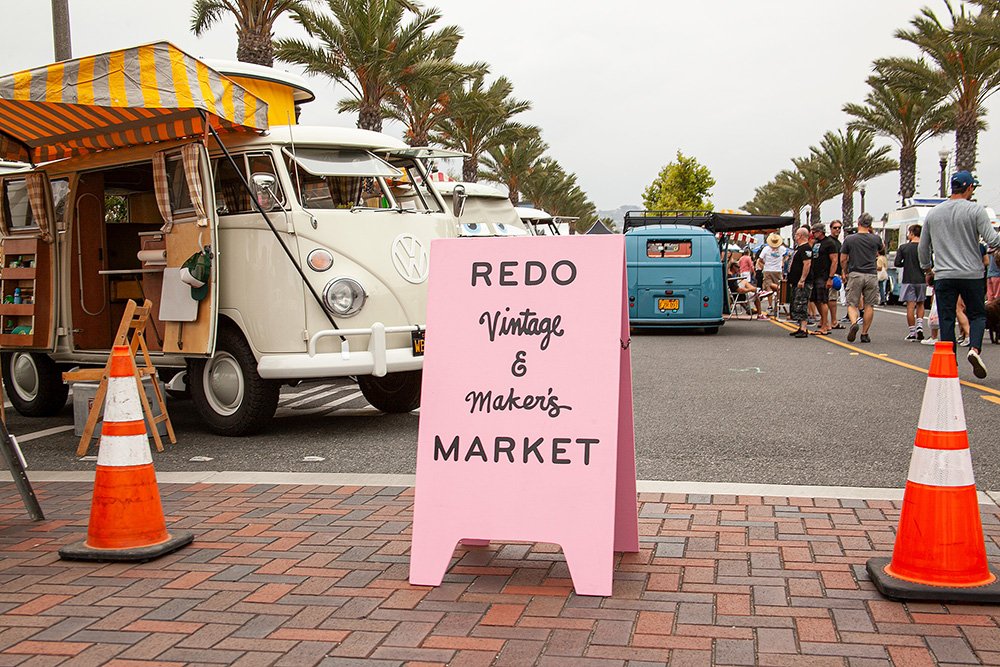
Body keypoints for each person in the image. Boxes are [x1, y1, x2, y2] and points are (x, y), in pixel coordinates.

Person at [919, 170, 1000, 378]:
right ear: (969, 188)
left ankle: (949, 361)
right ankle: (974, 349)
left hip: (944, 274)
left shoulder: (934, 213)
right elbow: (993, 240)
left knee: (946, 317)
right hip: (971, 274)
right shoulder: (976, 210)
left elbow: (923, 247)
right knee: (977, 314)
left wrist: (928, 269)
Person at [840, 213, 885, 344]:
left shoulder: (850, 239)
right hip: (871, 274)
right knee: (869, 305)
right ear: (869, 225)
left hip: (855, 273)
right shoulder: (875, 239)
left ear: (858, 223)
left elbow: (843, 258)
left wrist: (845, 271)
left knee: (852, 303)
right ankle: (865, 333)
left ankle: (854, 322)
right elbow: (882, 249)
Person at [894, 224, 926, 341]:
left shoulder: (903, 248)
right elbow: (929, 263)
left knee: (910, 306)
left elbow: (897, 263)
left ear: (912, 233)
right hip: (921, 279)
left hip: (908, 279)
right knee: (921, 303)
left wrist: (906, 263)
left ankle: (912, 332)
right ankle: (920, 326)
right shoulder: (924, 247)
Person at [787, 227, 813, 338]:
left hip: (803, 282)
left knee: (801, 303)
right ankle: (800, 327)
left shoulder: (806, 248)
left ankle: (803, 328)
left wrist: (802, 279)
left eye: (797, 234)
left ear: (801, 236)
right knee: (796, 303)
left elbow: (807, 264)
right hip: (795, 281)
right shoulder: (799, 248)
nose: (795, 236)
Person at [760, 233, 789, 316]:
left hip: (768, 270)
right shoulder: (782, 249)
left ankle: (770, 305)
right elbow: (787, 256)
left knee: (768, 288)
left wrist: (765, 264)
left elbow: (760, 259)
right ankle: (777, 304)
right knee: (779, 288)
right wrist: (783, 261)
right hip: (778, 270)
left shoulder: (766, 249)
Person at [827, 221, 845, 329]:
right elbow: (834, 260)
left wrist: (843, 272)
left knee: (831, 297)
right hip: (830, 274)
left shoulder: (838, 243)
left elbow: (841, 260)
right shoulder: (830, 242)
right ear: (831, 228)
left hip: (836, 273)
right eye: (835, 228)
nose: (837, 230)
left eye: (839, 228)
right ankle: (833, 321)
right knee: (831, 298)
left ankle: (829, 321)